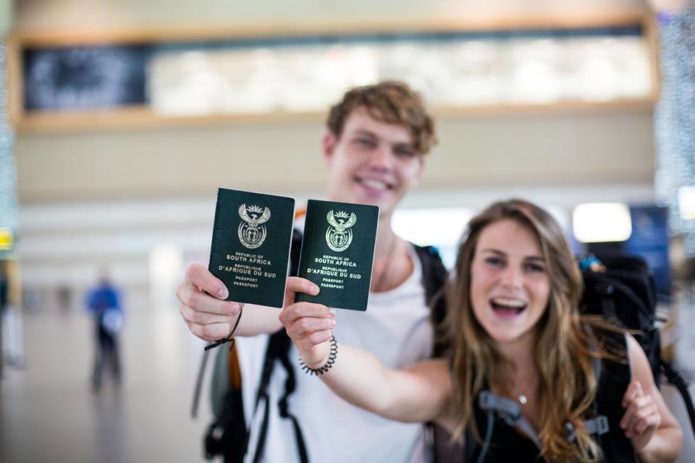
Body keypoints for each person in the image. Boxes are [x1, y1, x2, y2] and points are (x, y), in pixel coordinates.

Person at [279, 199, 684, 463]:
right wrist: (322, 351)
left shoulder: (611, 349)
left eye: (533, 266)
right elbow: (385, 388)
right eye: (494, 261)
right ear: (468, 273)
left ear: (556, 283)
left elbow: (672, 439)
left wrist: (645, 440)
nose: (511, 281)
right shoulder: (460, 381)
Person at [178, 81, 448, 462]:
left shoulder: (435, 280)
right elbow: (256, 308)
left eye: (402, 151)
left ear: (418, 168)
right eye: (365, 141)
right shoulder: (277, 249)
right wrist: (221, 310)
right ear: (329, 147)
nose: (383, 162)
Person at [86, 272, 123, 392]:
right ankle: (103, 376)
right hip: (104, 325)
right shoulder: (101, 292)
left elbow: (90, 306)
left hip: (109, 325)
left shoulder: (109, 292)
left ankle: (113, 374)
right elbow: (90, 306)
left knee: (108, 351)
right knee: (104, 351)